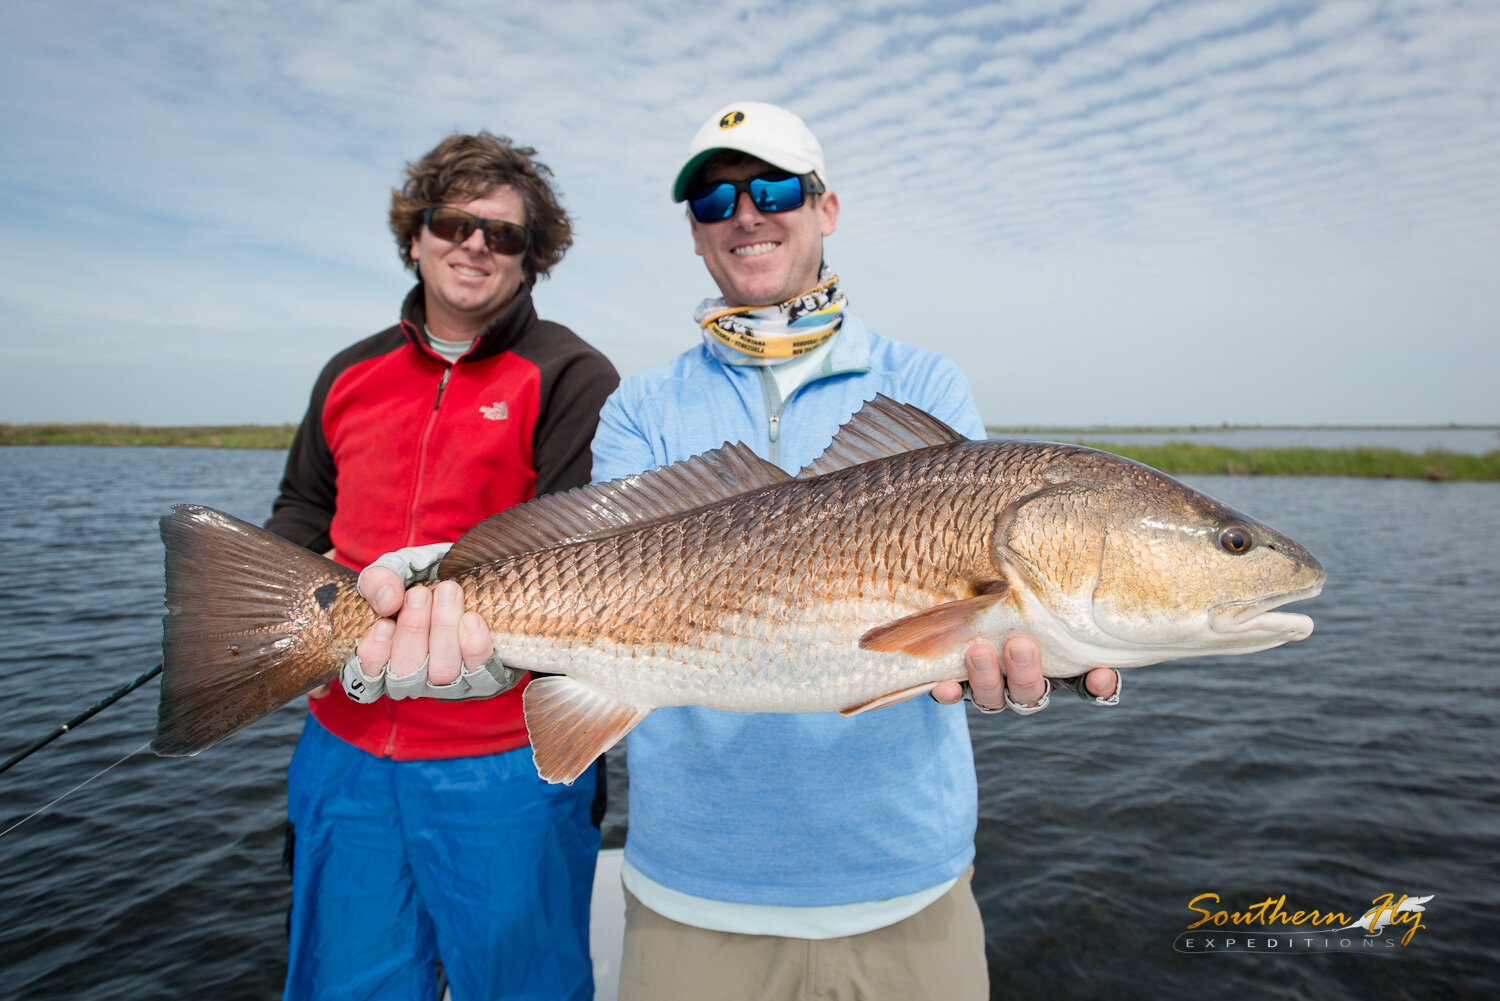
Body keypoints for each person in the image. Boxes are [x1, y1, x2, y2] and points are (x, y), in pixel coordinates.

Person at [354, 103, 1119, 1000]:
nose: (745, 212)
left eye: (775, 188)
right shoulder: (642, 406)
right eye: (715, 199)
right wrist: (444, 599)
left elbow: (991, 620)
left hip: (906, 888)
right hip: (693, 898)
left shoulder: (922, 385)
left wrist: (1059, 656)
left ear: (826, 209)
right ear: (694, 233)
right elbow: (587, 574)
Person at [265, 131, 619, 1001]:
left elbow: (588, 563)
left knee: (521, 985)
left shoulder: (571, 373)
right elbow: (301, 513)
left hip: (504, 755)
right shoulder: (348, 373)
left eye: (502, 234)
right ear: (416, 236)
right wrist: (305, 630)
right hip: (344, 742)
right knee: (345, 983)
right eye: (454, 223)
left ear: (532, 257)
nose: (474, 245)